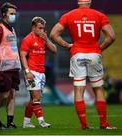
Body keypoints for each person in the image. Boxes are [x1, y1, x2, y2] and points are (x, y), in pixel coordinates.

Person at [50, 0, 117, 130]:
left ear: (78, 2)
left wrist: (67, 45)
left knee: (79, 89)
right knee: (98, 88)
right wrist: (100, 48)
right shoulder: (99, 15)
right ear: (90, 2)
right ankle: (103, 124)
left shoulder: (69, 15)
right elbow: (111, 37)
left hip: (77, 54)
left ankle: (84, 125)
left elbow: (53, 34)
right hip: (94, 54)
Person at [0, 2, 21, 129]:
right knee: (4, 95)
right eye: (11, 14)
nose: (14, 16)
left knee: (12, 94)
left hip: (13, 65)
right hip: (2, 65)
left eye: (14, 14)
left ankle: (10, 122)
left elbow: (12, 48)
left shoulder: (11, 29)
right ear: (4, 14)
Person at [20, 16, 57, 128]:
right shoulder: (27, 39)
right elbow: (22, 56)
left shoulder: (42, 38)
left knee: (33, 99)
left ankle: (26, 123)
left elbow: (54, 50)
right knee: (37, 97)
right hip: (31, 72)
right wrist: (27, 72)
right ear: (33, 27)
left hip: (41, 73)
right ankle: (42, 122)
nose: (42, 30)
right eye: (40, 28)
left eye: (43, 28)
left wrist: (46, 39)